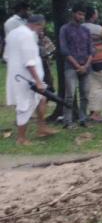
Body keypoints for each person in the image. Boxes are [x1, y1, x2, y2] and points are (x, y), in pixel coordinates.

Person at [4, 14, 58, 145]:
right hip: (26, 77)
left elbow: (6, 56)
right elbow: (29, 62)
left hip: (18, 74)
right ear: (37, 24)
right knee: (24, 106)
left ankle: (42, 128)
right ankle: (21, 138)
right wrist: (38, 81)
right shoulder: (27, 35)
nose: (41, 31)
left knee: (42, 99)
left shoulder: (13, 33)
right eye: (41, 27)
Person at [59, 2, 94, 128]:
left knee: (85, 95)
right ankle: (67, 121)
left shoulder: (86, 30)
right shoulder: (65, 29)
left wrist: (85, 65)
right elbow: (64, 50)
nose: (81, 17)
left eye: (83, 15)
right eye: (79, 14)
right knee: (70, 95)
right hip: (70, 67)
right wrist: (77, 66)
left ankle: (83, 119)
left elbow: (91, 50)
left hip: (86, 67)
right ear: (73, 13)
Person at [82, 7, 102, 123]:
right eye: (96, 13)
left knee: (93, 87)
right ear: (93, 16)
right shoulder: (98, 28)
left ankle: (92, 112)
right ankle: (96, 114)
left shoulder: (81, 27)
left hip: (86, 62)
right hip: (101, 61)